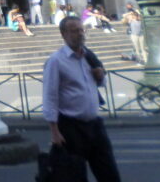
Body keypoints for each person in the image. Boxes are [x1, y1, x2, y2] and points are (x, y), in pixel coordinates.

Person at [42, 17, 122, 182]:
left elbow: (99, 83)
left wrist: (100, 77)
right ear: (64, 34)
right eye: (74, 31)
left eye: (80, 30)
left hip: (94, 124)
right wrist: (54, 131)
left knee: (110, 174)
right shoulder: (56, 61)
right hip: (71, 127)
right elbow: (50, 96)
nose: (79, 34)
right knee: (75, 175)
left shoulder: (89, 56)